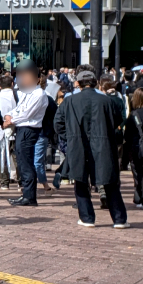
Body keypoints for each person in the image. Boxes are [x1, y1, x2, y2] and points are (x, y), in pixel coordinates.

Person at [54, 68, 128, 227]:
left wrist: (70, 136)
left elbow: (58, 123)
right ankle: (119, 219)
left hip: (78, 143)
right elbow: (117, 120)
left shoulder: (70, 101)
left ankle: (87, 218)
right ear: (95, 83)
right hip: (103, 143)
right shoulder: (106, 101)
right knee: (109, 181)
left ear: (78, 83)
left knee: (80, 181)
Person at [4, 61, 49, 208]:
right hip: (22, 128)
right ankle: (26, 194)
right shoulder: (26, 93)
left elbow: (27, 113)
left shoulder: (39, 94)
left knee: (26, 163)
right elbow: (19, 109)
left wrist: (11, 121)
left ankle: (30, 196)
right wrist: (9, 116)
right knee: (22, 162)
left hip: (29, 129)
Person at [125, 87, 143, 209]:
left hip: (138, 147)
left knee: (140, 173)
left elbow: (128, 134)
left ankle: (142, 199)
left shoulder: (134, 115)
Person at [0, 73, 18, 189]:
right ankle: (21, 181)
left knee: (2, 155)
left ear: (0, 86)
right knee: (16, 155)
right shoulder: (16, 95)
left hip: (1, 128)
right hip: (15, 127)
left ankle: (4, 182)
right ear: (12, 84)